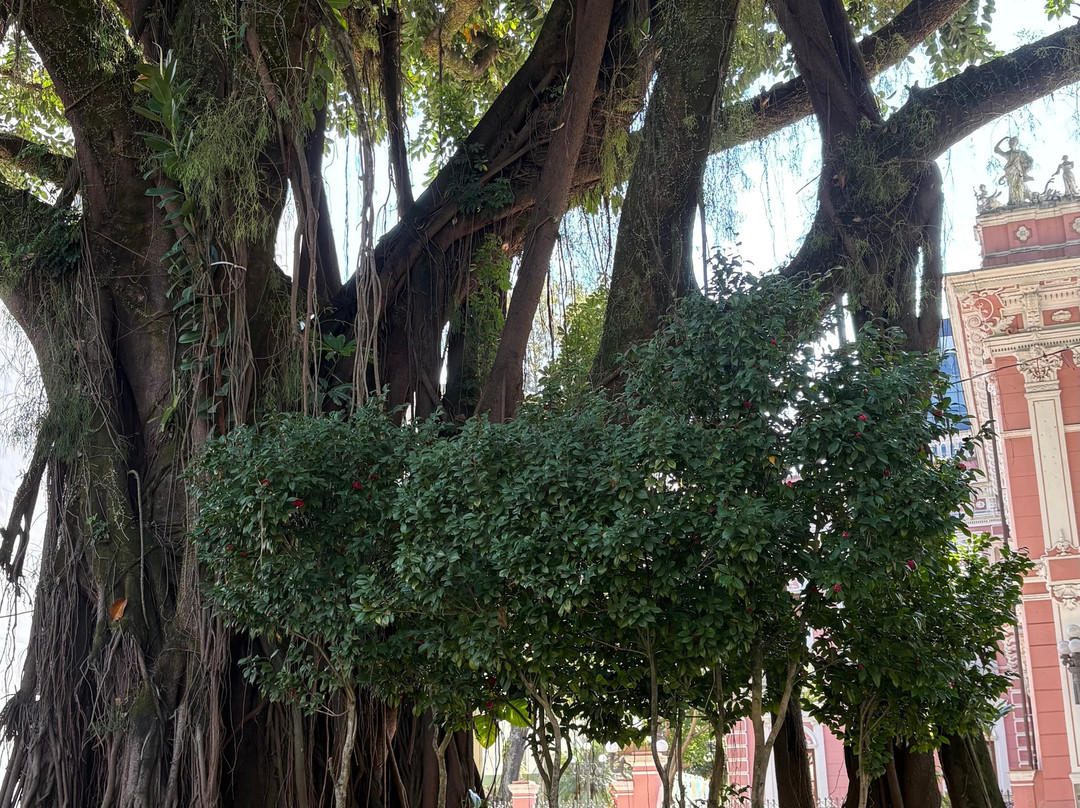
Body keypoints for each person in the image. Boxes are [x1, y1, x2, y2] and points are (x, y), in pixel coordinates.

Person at [995, 136, 1034, 205]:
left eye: (1014, 141)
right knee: (1012, 186)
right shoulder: (1008, 153)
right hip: (1010, 172)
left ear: (1016, 143)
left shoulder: (1021, 153)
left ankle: (1020, 200)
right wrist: (1003, 139)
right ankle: (1013, 201)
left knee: (1019, 184)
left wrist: (1026, 172)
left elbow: (1028, 162)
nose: (1012, 142)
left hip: (1018, 171)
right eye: (1011, 141)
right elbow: (996, 150)